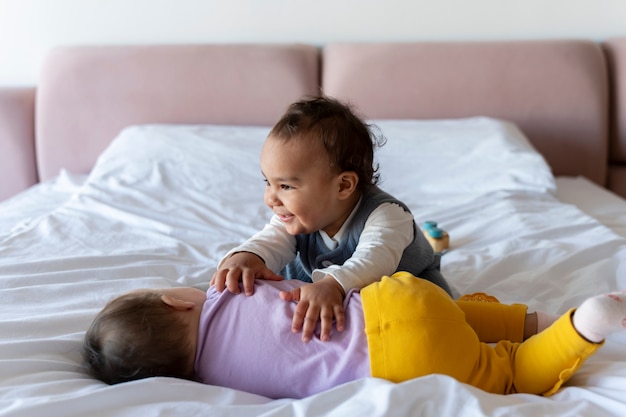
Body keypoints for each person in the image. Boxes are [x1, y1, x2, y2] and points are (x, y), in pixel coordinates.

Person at [211, 96, 545, 343]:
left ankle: (520, 324)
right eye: (267, 182)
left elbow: (375, 260)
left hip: (399, 287)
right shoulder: (294, 218)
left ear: (343, 185)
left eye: (285, 186)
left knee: (445, 320)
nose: (271, 198)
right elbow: (271, 241)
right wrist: (247, 257)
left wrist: (333, 284)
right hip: (328, 292)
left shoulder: (387, 216)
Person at [82, 272, 626, 399]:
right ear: (178, 300)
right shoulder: (234, 286)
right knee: (455, 312)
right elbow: (293, 282)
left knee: (507, 373)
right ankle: (535, 319)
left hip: (402, 366)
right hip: (396, 297)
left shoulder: (215, 382)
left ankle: (584, 327)